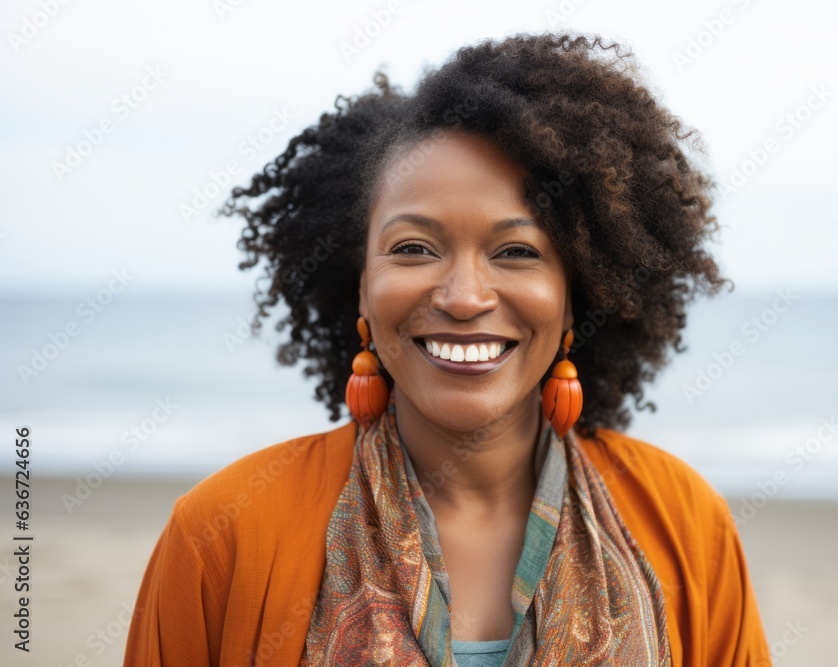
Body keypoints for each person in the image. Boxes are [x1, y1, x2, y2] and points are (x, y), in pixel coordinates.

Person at [124, 32, 772, 667]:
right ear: (361, 288)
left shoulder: (685, 522)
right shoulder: (224, 533)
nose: (464, 296)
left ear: (577, 293)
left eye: (516, 251)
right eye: (414, 248)